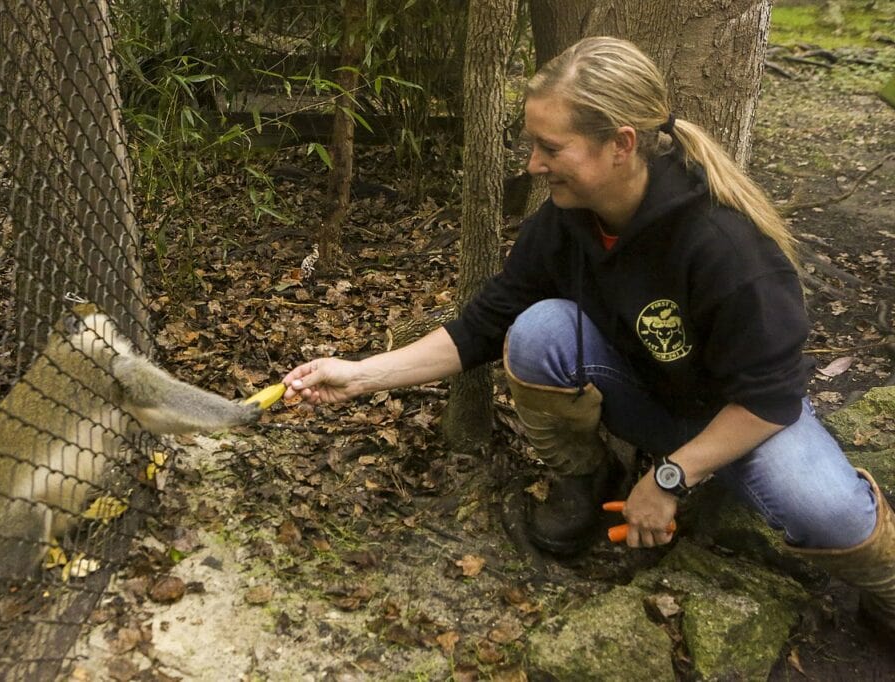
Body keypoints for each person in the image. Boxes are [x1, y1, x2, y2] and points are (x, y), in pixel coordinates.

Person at [282, 37, 894, 636]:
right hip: (652, 401)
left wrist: (669, 479)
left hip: (744, 421)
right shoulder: (567, 219)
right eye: (532, 144)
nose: (532, 165)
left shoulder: (725, 245)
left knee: (830, 512)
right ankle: (585, 477)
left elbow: (770, 399)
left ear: (620, 145)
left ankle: (888, 589)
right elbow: (481, 327)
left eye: (551, 147)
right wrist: (359, 374)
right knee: (537, 329)